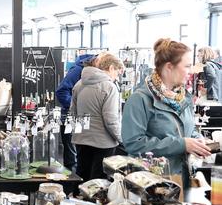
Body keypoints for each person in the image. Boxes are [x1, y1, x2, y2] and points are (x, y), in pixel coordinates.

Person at [122, 38, 210, 186]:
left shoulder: (183, 97)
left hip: (182, 178)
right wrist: (182, 145)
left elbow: (186, 130)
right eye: (187, 66)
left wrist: (198, 140)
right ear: (169, 67)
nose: (191, 71)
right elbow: (133, 143)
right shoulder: (140, 100)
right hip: (153, 184)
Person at [70, 53, 124, 181]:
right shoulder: (109, 87)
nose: (116, 77)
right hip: (103, 142)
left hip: (81, 139)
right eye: (117, 72)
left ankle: (77, 200)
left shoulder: (79, 84)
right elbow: (110, 120)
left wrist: (79, 134)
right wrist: (121, 139)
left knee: (82, 177)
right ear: (111, 68)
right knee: (98, 183)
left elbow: (73, 113)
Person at [55, 54, 99, 172]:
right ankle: (71, 187)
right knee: (72, 159)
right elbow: (61, 91)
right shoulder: (78, 70)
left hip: (83, 119)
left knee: (80, 157)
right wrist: (76, 106)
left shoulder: (95, 74)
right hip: (71, 118)